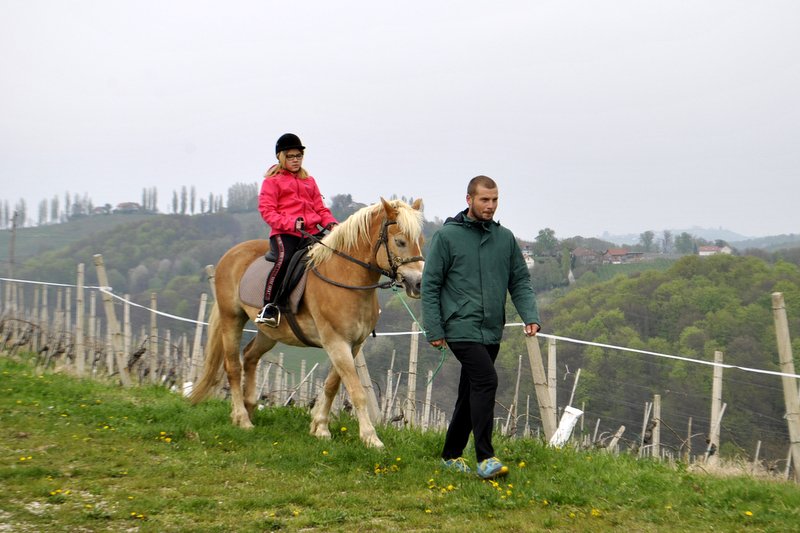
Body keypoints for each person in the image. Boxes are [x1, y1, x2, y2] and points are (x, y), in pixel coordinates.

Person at [421, 175, 541, 480]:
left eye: (495, 199)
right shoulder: (447, 237)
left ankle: (451, 455)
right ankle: (486, 457)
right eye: (484, 200)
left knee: (470, 389)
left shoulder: (505, 239)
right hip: (459, 327)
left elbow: (520, 281)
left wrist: (530, 314)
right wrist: (434, 329)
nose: (490, 206)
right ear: (469, 200)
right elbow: (431, 285)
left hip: (491, 328)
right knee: (486, 380)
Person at [255, 133, 338, 327]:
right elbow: (267, 212)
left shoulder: (309, 181)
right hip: (285, 234)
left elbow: (320, 208)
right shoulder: (272, 181)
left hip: (310, 233)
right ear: (281, 157)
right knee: (285, 260)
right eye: (291, 156)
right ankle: (270, 306)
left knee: (336, 255)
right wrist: (291, 223)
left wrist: (332, 224)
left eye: (298, 156)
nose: (295, 160)